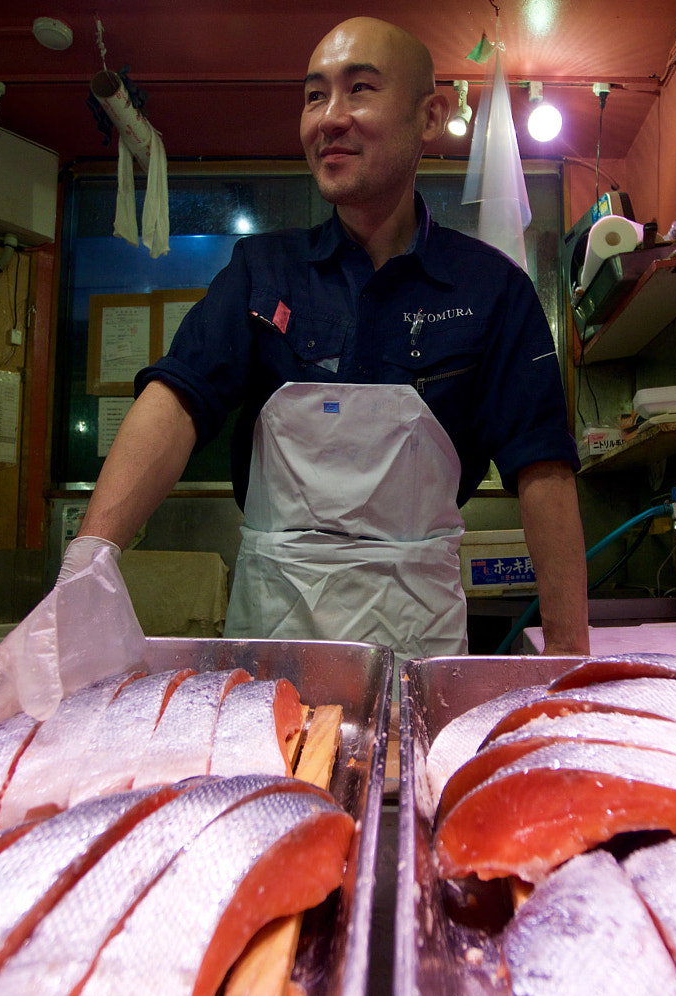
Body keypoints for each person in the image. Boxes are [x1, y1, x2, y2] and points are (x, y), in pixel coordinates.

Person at [66, 16, 590, 659]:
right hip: (271, 634)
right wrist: (88, 564)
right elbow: (177, 399)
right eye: (315, 96)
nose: (328, 118)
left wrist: (569, 660)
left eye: (360, 89)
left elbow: (542, 467)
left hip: (417, 640)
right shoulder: (261, 271)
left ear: (430, 117)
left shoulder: (492, 291)